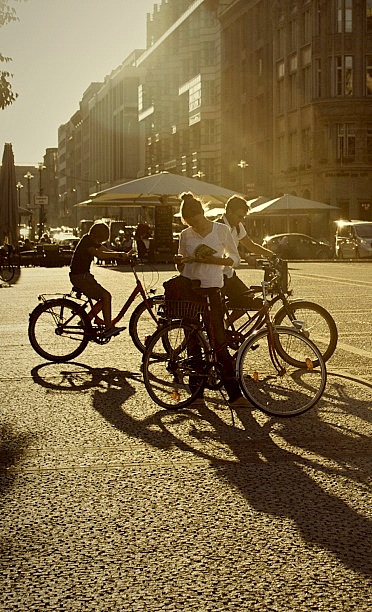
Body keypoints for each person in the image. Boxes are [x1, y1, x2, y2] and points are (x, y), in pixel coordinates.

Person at [175, 191, 248, 406]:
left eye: (196, 221)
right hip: (190, 289)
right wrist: (179, 260)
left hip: (213, 288)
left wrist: (218, 261)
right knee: (193, 341)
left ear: (202, 214)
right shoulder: (186, 235)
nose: (194, 226)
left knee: (218, 340)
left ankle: (234, 395)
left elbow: (236, 259)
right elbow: (180, 266)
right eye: (190, 223)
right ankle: (196, 393)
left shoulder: (222, 230)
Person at [69, 221, 132, 339]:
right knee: (106, 296)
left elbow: (106, 250)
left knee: (104, 298)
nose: (100, 243)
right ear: (96, 236)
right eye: (100, 240)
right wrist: (118, 256)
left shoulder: (90, 239)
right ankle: (108, 328)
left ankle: (86, 320)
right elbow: (100, 255)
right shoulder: (87, 242)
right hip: (80, 277)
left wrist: (122, 254)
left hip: (82, 276)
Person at [219, 195, 275, 325]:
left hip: (229, 273)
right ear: (229, 212)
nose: (241, 220)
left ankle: (225, 325)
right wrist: (245, 257)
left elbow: (250, 245)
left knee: (247, 299)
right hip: (217, 275)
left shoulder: (237, 226)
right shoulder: (218, 227)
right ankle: (214, 330)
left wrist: (271, 254)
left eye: (243, 217)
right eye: (239, 216)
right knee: (218, 308)